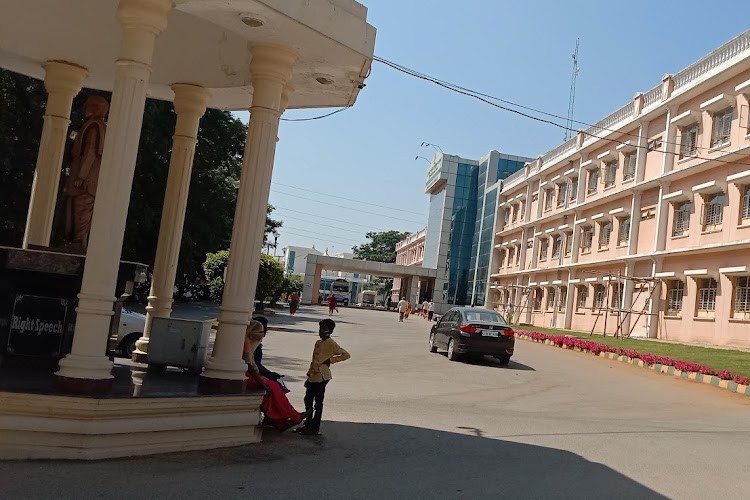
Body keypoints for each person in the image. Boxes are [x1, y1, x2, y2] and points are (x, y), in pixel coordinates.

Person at [64, 95, 108, 251]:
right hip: (88, 181)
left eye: (88, 105)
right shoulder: (98, 125)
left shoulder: (94, 126)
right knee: (79, 212)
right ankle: (77, 243)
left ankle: (78, 245)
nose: (84, 108)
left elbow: (90, 152)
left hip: (85, 183)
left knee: (81, 212)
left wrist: (81, 176)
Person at [243, 320, 304, 431]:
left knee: (273, 389)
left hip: (251, 374)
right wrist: (262, 382)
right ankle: (292, 416)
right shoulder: (247, 343)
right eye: (260, 331)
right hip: (247, 376)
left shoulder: (251, 342)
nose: (263, 334)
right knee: (273, 388)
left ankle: (279, 420)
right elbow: (250, 366)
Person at [296, 319, 350, 436]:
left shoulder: (331, 343)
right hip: (313, 375)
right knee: (308, 399)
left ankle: (315, 427)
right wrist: (309, 375)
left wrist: (330, 360)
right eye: (320, 329)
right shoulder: (318, 343)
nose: (320, 331)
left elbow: (346, 355)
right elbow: (314, 360)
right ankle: (308, 423)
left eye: (323, 329)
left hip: (322, 376)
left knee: (318, 402)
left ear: (329, 331)